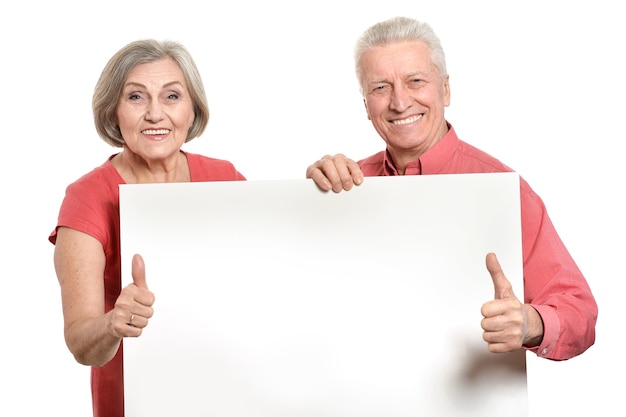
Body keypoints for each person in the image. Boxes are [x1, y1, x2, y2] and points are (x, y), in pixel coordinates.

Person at [306, 16, 597, 361]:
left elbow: (580, 315)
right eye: (381, 87)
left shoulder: (502, 189)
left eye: (415, 81)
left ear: (445, 89)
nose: (400, 102)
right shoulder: (346, 186)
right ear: (365, 105)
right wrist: (307, 202)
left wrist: (530, 323)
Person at [49, 39, 245, 417]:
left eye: (172, 96)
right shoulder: (87, 197)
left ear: (192, 109)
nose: (156, 114)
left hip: (227, 392)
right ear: (113, 112)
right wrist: (112, 324)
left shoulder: (226, 178)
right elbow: (79, 343)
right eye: (136, 97)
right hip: (135, 402)